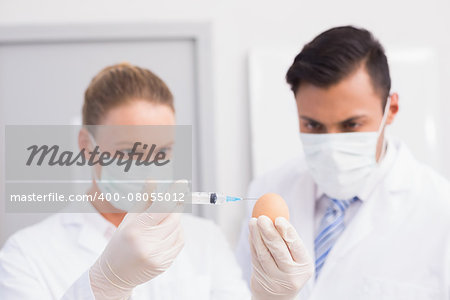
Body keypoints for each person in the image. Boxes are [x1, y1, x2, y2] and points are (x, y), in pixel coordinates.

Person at [0, 63, 313, 299]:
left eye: (162, 151)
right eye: (129, 152)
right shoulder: (27, 254)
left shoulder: (204, 239)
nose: (149, 168)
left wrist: (271, 298)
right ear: (86, 146)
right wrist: (105, 284)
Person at [236, 26, 450, 300]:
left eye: (351, 125)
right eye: (312, 125)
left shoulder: (441, 211)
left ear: (391, 109)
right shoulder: (271, 187)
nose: (331, 146)